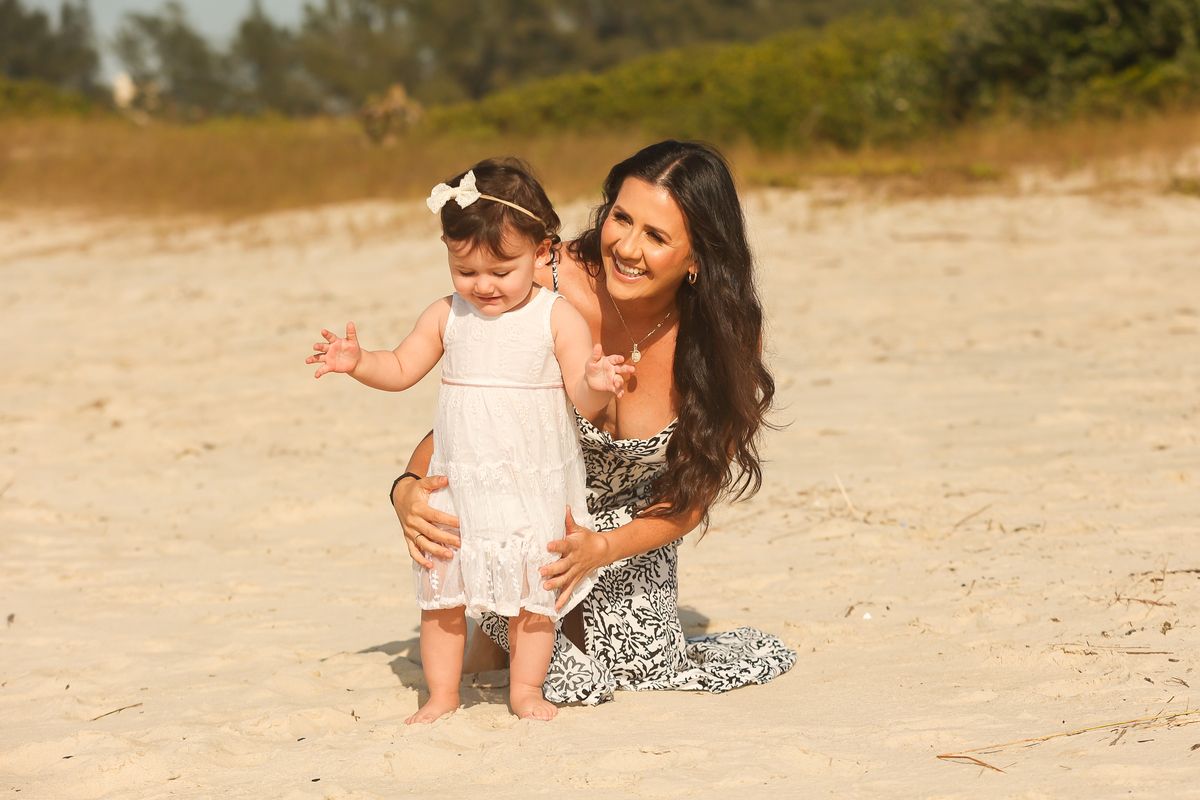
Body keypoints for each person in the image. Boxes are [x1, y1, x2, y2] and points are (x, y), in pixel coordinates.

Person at [392, 141, 797, 706]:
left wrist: (600, 547)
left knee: (640, 669)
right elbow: (474, 415)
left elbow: (691, 497)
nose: (627, 248)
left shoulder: (724, 337)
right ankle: (493, 630)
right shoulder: (540, 282)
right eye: (621, 218)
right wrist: (406, 488)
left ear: (697, 257)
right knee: (562, 679)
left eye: (656, 236)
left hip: (627, 534)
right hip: (528, 511)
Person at [307, 159, 633, 722]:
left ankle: (525, 689)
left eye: (501, 270)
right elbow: (401, 367)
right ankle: (443, 693)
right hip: (460, 485)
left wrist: (597, 382)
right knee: (443, 592)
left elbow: (583, 397)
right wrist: (359, 362)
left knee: (533, 595)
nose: (482, 285)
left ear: (540, 251)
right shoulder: (446, 315)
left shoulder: (556, 318)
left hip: (530, 484)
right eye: (465, 270)